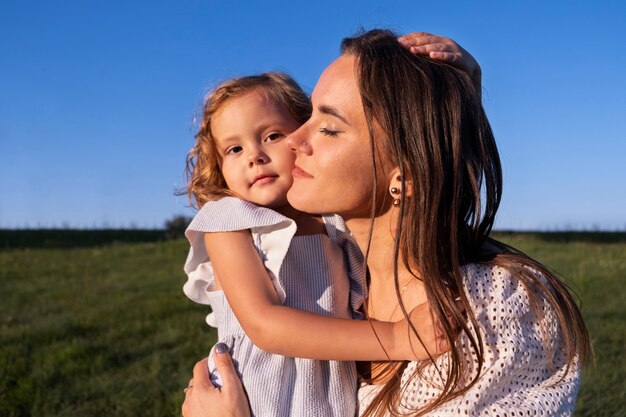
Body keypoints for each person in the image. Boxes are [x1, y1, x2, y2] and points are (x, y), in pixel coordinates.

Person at [184, 29, 590, 416]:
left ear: (406, 176)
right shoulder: (350, 262)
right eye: (234, 148)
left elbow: (429, 170)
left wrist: (457, 99)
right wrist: (460, 94)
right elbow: (418, 171)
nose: (291, 141)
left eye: (326, 127)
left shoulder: (491, 310)